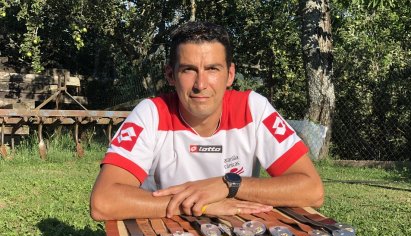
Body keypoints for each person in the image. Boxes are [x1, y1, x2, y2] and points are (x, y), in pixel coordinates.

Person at [90, 21, 324, 221]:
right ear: (170, 75)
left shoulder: (253, 108)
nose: (201, 84)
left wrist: (229, 185)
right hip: (165, 230)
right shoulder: (151, 113)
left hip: (234, 231)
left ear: (230, 75)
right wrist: (197, 206)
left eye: (212, 69)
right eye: (189, 70)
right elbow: (103, 201)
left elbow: (312, 190)